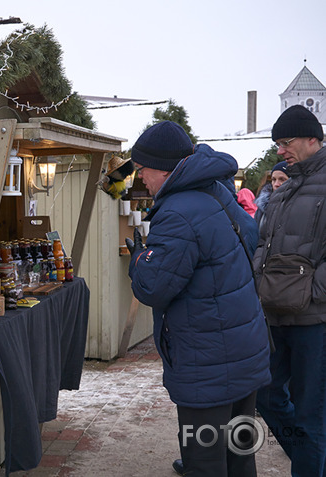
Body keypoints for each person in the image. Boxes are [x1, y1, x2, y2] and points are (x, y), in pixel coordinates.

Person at [126, 121, 271, 476]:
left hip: (207, 363)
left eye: (142, 169)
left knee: (204, 463)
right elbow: (250, 234)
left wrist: (139, 259)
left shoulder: (177, 211)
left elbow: (153, 287)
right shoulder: (213, 191)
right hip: (243, 351)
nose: (140, 177)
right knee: (239, 455)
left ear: (162, 168)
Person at [252, 105, 326, 476]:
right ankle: (310, 459)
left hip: (316, 318)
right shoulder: (283, 188)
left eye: (286, 142)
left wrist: (313, 290)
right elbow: (263, 245)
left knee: (311, 412)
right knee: (265, 395)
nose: (280, 150)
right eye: (277, 143)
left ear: (314, 138)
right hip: (275, 314)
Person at [253, 161, 289, 227]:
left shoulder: (298, 204)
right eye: (274, 179)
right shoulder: (263, 206)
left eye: (282, 179)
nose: (276, 184)